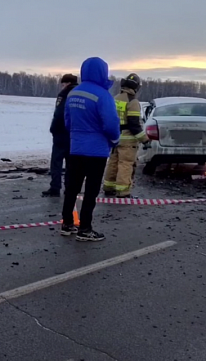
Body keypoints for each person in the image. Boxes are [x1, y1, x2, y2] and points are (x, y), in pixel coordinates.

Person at [60, 57, 120, 242]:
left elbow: (67, 121)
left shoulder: (73, 93)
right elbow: (110, 124)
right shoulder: (103, 95)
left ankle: (67, 223)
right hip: (96, 151)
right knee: (91, 191)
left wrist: (76, 135)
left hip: (76, 147)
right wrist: (115, 139)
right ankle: (85, 228)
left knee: (72, 187)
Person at [103, 73, 149, 198]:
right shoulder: (132, 101)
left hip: (115, 137)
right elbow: (134, 124)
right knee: (125, 164)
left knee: (113, 162)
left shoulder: (115, 98)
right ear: (136, 87)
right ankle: (123, 191)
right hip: (128, 140)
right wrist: (145, 140)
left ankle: (108, 187)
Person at [42, 74, 79, 197]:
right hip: (74, 133)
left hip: (61, 133)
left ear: (67, 83)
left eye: (63, 84)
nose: (62, 86)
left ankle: (55, 188)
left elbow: (59, 113)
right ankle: (69, 188)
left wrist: (53, 129)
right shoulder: (79, 94)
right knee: (71, 164)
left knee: (56, 162)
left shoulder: (64, 94)